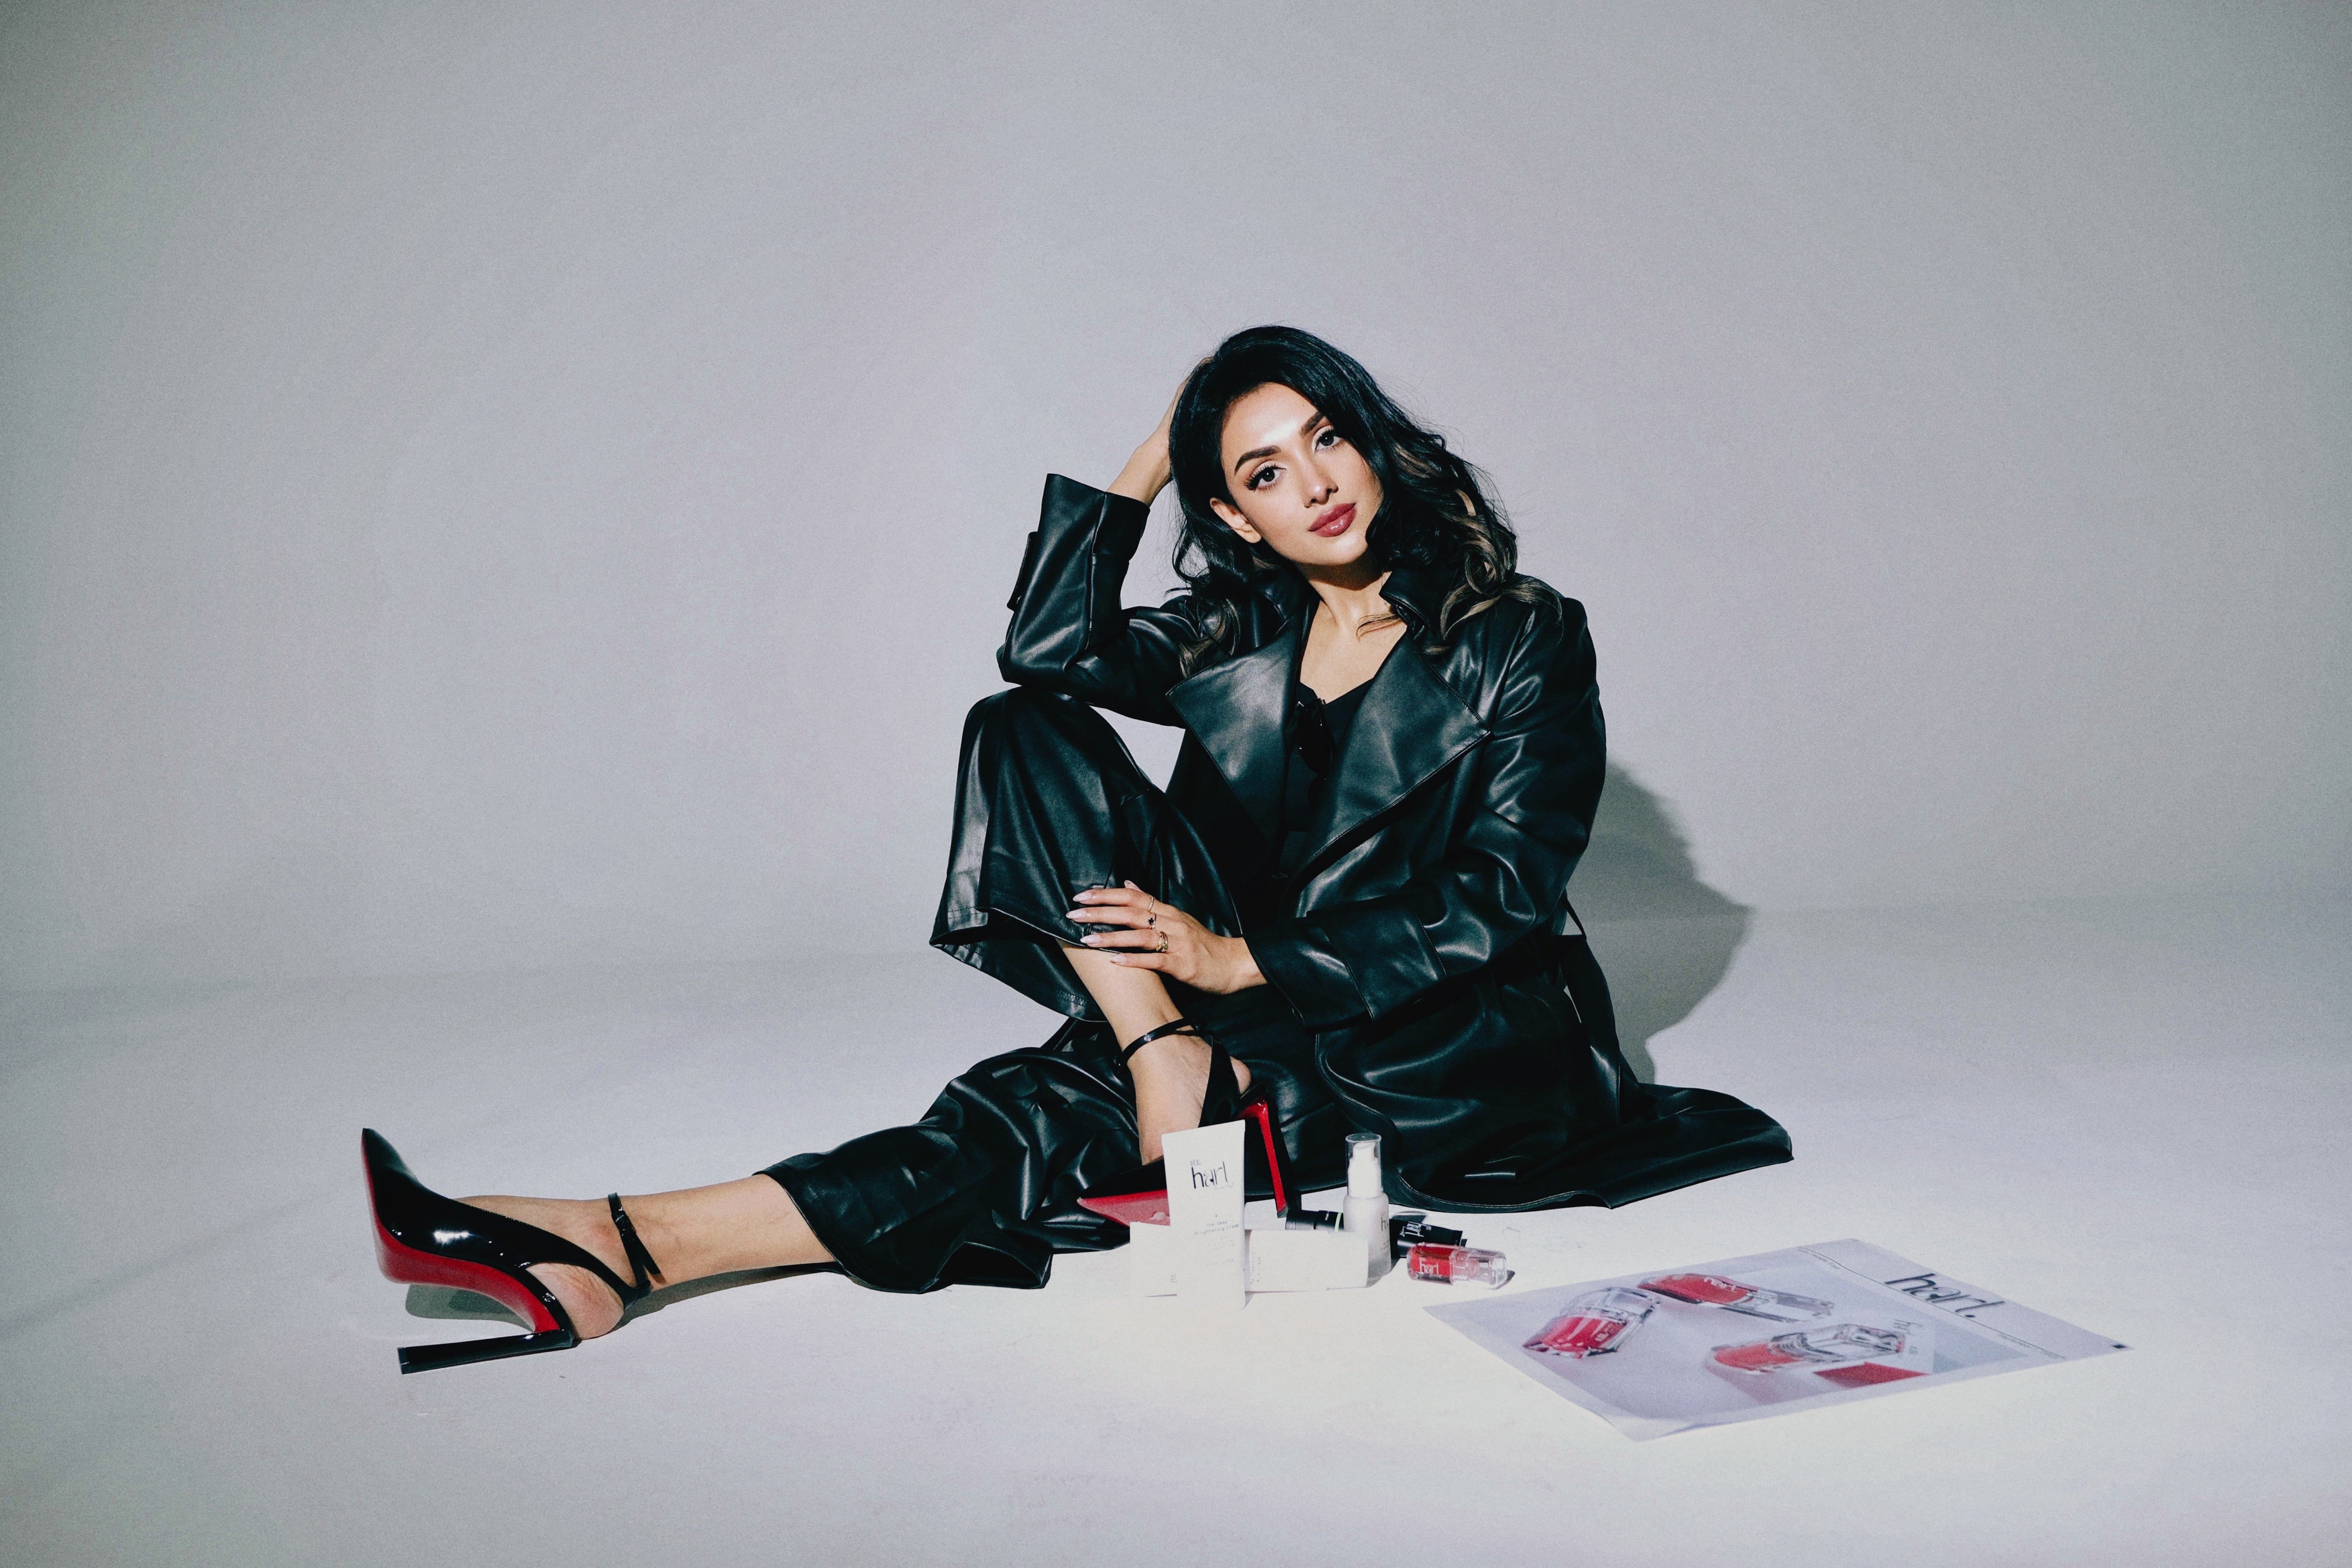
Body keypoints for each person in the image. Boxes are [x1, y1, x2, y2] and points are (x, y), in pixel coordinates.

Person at [362, 327, 1791, 1372]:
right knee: (1020, 726)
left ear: (1372, 439)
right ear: (1232, 511)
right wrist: (1140, 464)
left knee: (1018, 1122)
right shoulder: (1245, 622)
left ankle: (620, 1239)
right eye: (1262, 471)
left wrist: (1242, 955)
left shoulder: (1519, 630)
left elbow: (1507, 892)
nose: (1316, 484)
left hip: (1434, 1037)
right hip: (1209, 1002)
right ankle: (1156, 1057)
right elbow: (1048, 653)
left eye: (1328, 439)